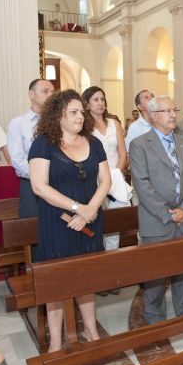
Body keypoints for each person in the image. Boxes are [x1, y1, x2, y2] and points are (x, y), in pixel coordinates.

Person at [28, 89, 111, 352]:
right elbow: (40, 187)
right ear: (57, 115)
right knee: (57, 282)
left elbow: (105, 180)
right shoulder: (43, 143)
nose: (80, 116)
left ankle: (90, 330)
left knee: (87, 279)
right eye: (73, 112)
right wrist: (78, 208)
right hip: (57, 222)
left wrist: (90, 210)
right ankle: (55, 341)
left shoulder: (93, 142)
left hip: (90, 220)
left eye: (81, 112)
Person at [129, 95, 183, 324]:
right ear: (152, 116)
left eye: (174, 110)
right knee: (156, 276)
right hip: (156, 221)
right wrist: (167, 213)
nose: (172, 115)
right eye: (166, 111)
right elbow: (142, 183)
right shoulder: (140, 145)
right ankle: (155, 318)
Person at [82, 86, 130, 260]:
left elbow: (123, 152)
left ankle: (113, 262)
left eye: (102, 99)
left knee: (114, 223)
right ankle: (98, 261)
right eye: (95, 99)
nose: (100, 103)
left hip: (115, 176)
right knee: (96, 223)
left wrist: (116, 173)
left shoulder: (113, 123)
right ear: (86, 103)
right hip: (94, 179)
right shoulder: (83, 126)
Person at [7, 79, 55, 217]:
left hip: (59, 184)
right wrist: (43, 177)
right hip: (32, 185)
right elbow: (18, 160)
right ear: (31, 94)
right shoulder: (18, 123)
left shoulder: (60, 122)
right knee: (34, 231)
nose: (51, 95)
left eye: (53, 92)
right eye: (45, 91)